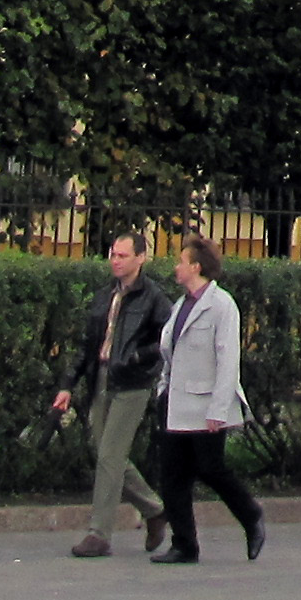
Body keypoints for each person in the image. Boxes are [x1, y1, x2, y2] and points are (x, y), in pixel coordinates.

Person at [47, 229, 172, 557]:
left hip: (132, 383)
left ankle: (99, 534)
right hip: (101, 378)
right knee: (104, 452)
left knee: (110, 456)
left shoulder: (154, 298)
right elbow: (87, 347)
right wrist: (67, 386)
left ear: (141, 258)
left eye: (122, 255)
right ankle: (155, 510)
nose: (114, 261)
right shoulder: (105, 295)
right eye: (112, 254)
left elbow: (167, 340)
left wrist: (136, 358)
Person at [149, 235, 259, 565]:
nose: (176, 267)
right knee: (173, 475)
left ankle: (251, 517)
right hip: (176, 403)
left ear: (195, 267)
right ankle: (184, 544)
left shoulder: (222, 305)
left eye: (181, 261)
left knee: (212, 469)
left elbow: (228, 361)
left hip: (207, 403)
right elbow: (170, 353)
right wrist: (162, 391)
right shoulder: (180, 305)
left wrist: (218, 409)